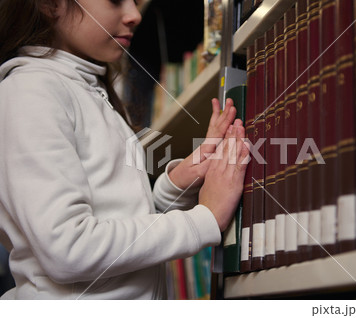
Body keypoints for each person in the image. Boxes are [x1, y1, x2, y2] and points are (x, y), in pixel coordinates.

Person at [0, 0, 248, 299]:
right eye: (116, 0)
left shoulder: (86, 90)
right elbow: (69, 249)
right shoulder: (29, 92)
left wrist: (173, 188)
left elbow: (117, 227)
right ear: (50, 4)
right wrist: (205, 219)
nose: (133, 15)